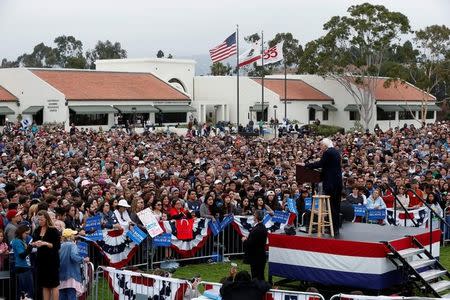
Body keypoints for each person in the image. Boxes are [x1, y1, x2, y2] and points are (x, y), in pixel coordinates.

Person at [304, 138, 343, 235]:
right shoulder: (335, 152)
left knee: (332, 207)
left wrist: (306, 165)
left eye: (321, 146)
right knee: (336, 207)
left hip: (331, 184)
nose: (320, 148)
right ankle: (335, 228)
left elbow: (320, 164)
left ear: (325, 146)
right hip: (337, 183)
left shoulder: (328, 152)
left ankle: (333, 229)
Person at [32, 210, 61, 300]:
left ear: (46, 219)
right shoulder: (37, 230)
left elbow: (57, 245)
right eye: (39, 220)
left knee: (54, 284)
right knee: (44, 285)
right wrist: (35, 243)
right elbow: (34, 241)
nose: (40, 221)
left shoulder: (53, 230)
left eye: (42, 220)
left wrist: (45, 243)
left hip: (52, 260)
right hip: (41, 260)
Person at [59, 229, 89, 300]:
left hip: (61, 276)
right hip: (71, 275)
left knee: (62, 296)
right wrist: (83, 259)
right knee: (71, 296)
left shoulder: (60, 246)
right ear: (70, 237)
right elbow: (73, 256)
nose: (74, 236)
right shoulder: (72, 245)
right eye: (73, 235)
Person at [242, 210, 268, 281]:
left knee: (257, 276)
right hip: (258, 256)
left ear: (256, 217)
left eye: (254, 215)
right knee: (258, 275)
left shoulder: (258, 229)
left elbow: (251, 243)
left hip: (257, 257)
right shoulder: (260, 227)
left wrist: (245, 240)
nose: (253, 216)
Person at [10, 224, 33, 300]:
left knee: (28, 292)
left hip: (26, 266)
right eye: (26, 233)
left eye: (28, 234)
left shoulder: (21, 240)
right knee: (24, 293)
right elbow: (22, 255)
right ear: (21, 232)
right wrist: (30, 247)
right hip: (21, 267)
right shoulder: (16, 241)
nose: (27, 235)